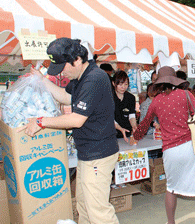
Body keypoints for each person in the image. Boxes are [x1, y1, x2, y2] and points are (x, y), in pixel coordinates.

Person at [19, 38, 120, 224]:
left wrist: (40, 121)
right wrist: (41, 81)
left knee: (98, 212)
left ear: (77, 60)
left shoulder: (95, 78)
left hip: (98, 154)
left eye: (63, 67)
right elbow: (67, 97)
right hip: (87, 154)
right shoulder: (81, 77)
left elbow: (76, 120)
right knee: (83, 207)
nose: (62, 72)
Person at [130, 66, 195, 224]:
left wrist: (135, 136)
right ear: (175, 80)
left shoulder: (156, 101)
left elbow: (145, 123)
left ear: (159, 83)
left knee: (171, 188)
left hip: (170, 151)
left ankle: (171, 222)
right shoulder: (186, 95)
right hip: (190, 148)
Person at [113, 70, 137, 139]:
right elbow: (109, 118)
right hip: (112, 134)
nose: (123, 87)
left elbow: (131, 115)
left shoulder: (131, 97)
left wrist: (134, 126)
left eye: (126, 84)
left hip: (127, 133)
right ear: (114, 83)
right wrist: (120, 128)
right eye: (120, 84)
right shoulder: (108, 97)